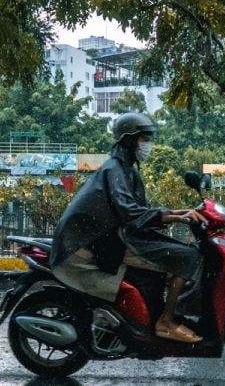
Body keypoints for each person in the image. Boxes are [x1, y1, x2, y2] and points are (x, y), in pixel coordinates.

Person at [49, 112, 207, 344]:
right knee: (186, 257)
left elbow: (141, 209)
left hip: (116, 236)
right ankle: (166, 321)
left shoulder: (125, 169)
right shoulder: (115, 170)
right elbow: (131, 213)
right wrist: (175, 218)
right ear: (130, 140)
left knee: (180, 251)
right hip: (101, 242)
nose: (148, 145)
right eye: (144, 139)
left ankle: (160, 311)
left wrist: (179, 212)